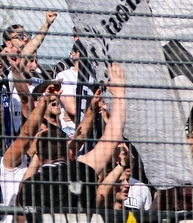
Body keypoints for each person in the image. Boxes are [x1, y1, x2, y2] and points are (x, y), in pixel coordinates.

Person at [18, 63, 127, 212]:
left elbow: (19, 216)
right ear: (70, 153)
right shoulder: (80, 172)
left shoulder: (30, 186)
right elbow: (112, 136)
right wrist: (120, 94)